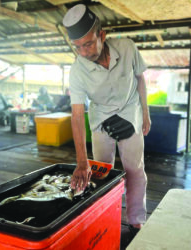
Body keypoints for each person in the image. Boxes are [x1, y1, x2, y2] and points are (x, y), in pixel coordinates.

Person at [63, 4, 151, 232]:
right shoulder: (77, 71)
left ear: (102, 35)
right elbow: (76, 114)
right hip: (101, 119)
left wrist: (145, 114)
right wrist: (82, 161)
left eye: (89, 43)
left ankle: (135, 218)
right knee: (102, 171)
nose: (84, 52)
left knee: (134, 170)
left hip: (130, 113)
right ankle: (105, 217)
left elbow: (140, 79)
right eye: (78, 47)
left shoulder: (127, 48)